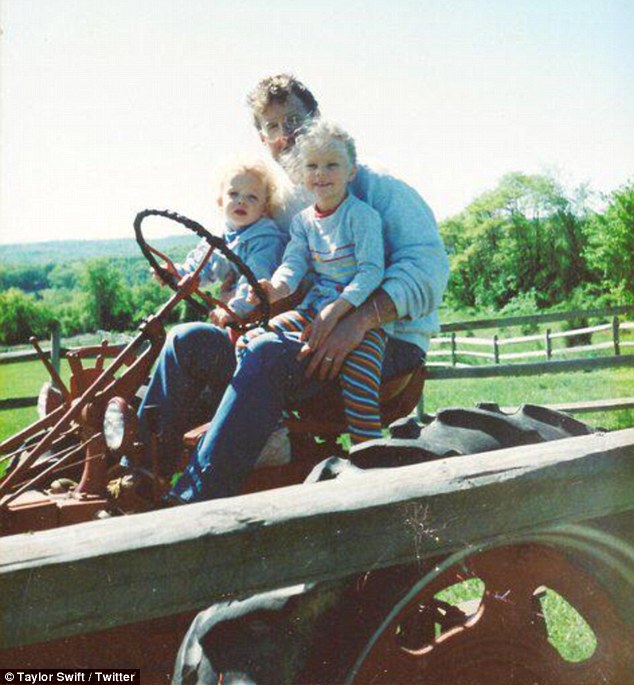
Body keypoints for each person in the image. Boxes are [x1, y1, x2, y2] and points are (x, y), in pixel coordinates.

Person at [146, 73, 450, 503]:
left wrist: (359, 322)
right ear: (261, 138)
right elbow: (276, 265)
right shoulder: (284, 202)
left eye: (294, 119)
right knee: (187, 340)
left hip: (386, 343)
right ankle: (136, 476)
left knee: (267, 355)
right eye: (272, 126)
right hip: (310, 333)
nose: (285, 134)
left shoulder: (373, 186)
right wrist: (254, 294)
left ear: (316, 118)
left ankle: (191, 504)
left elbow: (428, 268)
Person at [137, 158, 286, 477]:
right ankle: (141, 448)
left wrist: (231, 309)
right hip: (228, 331)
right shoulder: (221, 236)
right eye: (234, 194)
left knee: (188, 340)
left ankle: (150, 462)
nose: (241, 202)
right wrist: (175, 274)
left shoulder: (266, 237)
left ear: (265, 205)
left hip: (251, 334)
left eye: (252, 197)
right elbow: (198, 269)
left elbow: (255, 285)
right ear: (221, 200)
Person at [242, 120, 386, 445]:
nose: (321, 174)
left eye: (331, 165)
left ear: (351, 171)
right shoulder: (303, 222)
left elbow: (371, 272)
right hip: (315, 308)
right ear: (302, 174)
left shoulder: (361, 216)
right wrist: (273, 289)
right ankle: (274, 432)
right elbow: (292, 266)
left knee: (360, 374)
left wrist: (337, 311)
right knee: (250, 341)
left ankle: (369, 450)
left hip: (358, 314)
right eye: (312, 166)